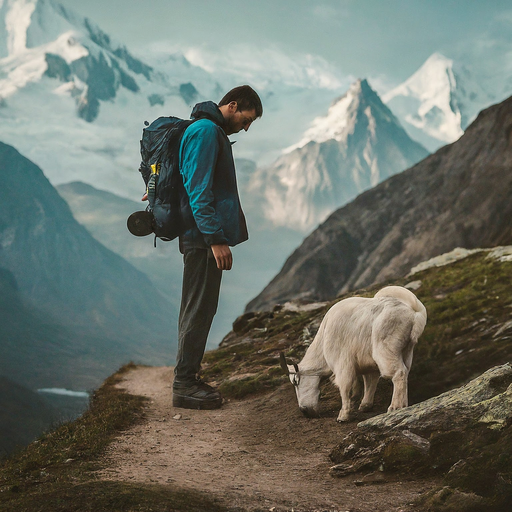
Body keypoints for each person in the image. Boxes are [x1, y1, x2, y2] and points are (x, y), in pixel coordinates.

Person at [172, 85, 263, 410]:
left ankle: (189, 378)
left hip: (201, 238)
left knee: (200, 306)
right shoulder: (207, 132)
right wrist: (216, 239)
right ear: (233, 105)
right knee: (199, 307)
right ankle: (184, 384)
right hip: (202, 240)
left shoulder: (205, 130)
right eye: (247, 119)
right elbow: (199, 191)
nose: (246, 127)